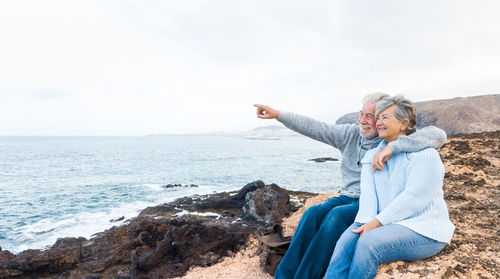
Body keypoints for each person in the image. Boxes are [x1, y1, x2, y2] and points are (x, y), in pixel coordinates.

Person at [253, 93, 447, 279]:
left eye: (372, 116)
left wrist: (394, 146)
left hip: (373, 202)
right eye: (361, 114)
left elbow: (436, 134)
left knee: (335, 217)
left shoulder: (389, 137)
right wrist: (278, 115)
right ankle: (284, 276)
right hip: (349, 197)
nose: (364, 121)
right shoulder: (351, 135)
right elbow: (314, 127)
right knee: (312, 213)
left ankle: (308, 275)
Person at [324, 96, 455, 279]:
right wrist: (363, 224)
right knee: (344, 244)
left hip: (423, 229)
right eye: (377, 118)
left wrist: (376, 223)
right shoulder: (372, 155)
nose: (378, 123)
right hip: (388, 224)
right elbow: (369, 198)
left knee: (368, 244)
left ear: (403, 124)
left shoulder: (426, 155)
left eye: (384, 118)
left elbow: (415, 197)